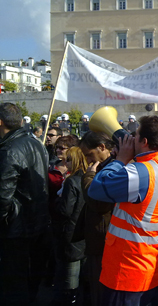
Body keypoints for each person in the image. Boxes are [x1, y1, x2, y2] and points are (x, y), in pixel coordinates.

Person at [88, 116, 158, 305]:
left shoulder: (141, 173)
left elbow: (96, 188)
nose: (131, 138)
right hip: (153, 264)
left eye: (136, 135)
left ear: (144, 142)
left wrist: (120, 160)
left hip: (128, 270)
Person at [0, 103, 50, 305]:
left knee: (14, 284)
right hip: (36, 224)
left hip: (16, 229)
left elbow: (3, 197)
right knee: (29, 282)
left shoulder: (9, 150)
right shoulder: (36, 142)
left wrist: (3, 223)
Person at [80, 131, 116, 306]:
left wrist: (88, 177)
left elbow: (98, 203)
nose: (87, 159)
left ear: (102, 147)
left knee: (101, 291)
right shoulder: (104, 166)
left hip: (104, 239)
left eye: (89, 154)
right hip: (99, 238)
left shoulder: (112, 168)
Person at [53, 146, 87, 305]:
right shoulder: (89, 177)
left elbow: (65, 210)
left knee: (69, 278)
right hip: (84, 233)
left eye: (68, 159)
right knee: (80, 276)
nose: (65, 163)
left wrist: (56, 203)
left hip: (70, 233)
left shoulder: (72, 181)